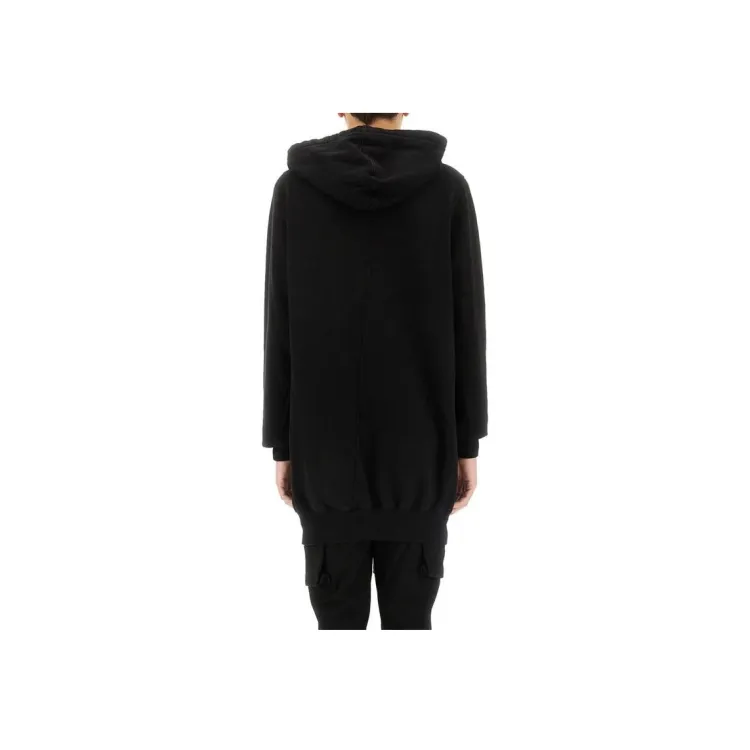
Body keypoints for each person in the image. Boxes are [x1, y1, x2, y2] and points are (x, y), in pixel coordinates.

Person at [262, 113, 487, 629]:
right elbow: (467, 327)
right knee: (412, 624)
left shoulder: (295, 190)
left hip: (324, 457)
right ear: (403, 106)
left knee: (335, 626)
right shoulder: (448, 189)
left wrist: (283, 445)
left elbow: (280, 325)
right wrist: (467, 443)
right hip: (421, 453)